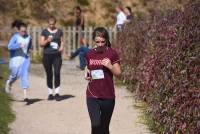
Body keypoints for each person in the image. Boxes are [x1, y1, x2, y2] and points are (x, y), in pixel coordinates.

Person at [85, 27, 121, 134]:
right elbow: (87, 67)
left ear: (106, 40)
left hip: (108, 96)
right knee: (95, 125)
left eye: (103, 41)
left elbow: (119, 74)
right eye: (97, 42)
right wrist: (86, 73)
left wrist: (110, 66)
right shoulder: (89, 53)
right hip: (92, 95)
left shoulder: (112, 53)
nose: (100, 44)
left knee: (104, 128)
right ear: (93, 41)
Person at [5, 22, 32, 102]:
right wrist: (18, 45)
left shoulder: (29, 37)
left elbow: (30, 46)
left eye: (25, 31)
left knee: (24, 74)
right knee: (15, 75)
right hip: (15, 59)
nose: (24, 33)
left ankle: (25, 96)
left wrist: (30, 49)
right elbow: (9, 46)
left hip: (25, 59)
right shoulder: (15, 37)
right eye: (22, 31)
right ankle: (9, 81)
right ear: (18, 30)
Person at [40, 16, 64, 101]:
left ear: (55, 23)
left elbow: (62, 41)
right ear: (48, 23)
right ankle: (50, 93)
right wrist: (47, 40)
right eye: (50, 24)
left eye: (52, 24)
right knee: (49, 74)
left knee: (57, 73)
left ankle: (57, 93)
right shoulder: (44, 32)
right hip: (47, 55)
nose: (51, 25)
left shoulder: (59, 32)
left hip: (57, 55)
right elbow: (41, 44)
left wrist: (61, 47)